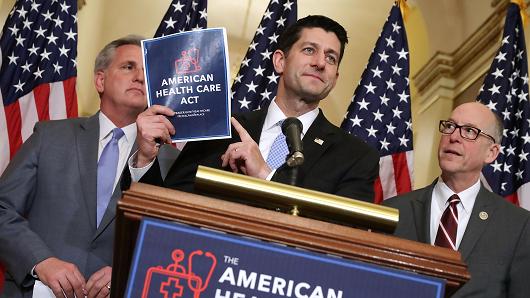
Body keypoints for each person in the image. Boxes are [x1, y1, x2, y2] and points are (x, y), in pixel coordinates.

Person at [132, 15, 380, 202]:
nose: (319, 63)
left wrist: (266, 176)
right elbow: (169, 206)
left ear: (335, 78)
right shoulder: (220, 129)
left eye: (331, 58)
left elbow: (343, 236)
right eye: (309, 50)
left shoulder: (356, 157)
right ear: (280, 61)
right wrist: (145, 158)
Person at [0, 35, 148, 298]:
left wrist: (129, 271)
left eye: (147, 70)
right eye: (128, 66)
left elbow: (174, 243)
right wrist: (41, 261)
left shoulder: (165, 159)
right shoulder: (50, 136)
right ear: (100, 80)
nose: (140, 77)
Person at [384, 102, 530, 297]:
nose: (453, 137)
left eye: (469, 131)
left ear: (491, 153)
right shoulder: (394, 210)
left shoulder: (518, 225)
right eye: (450, 126)